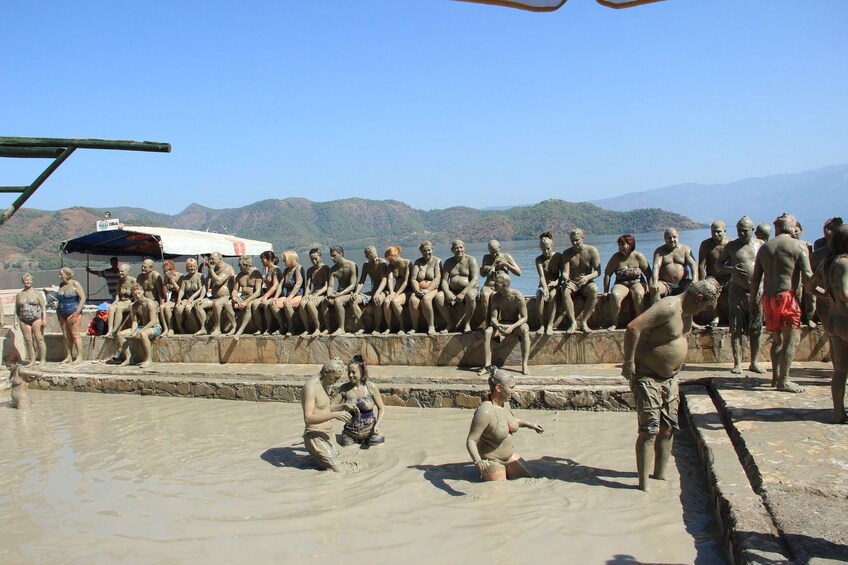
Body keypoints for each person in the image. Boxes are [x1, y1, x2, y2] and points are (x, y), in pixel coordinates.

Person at [622, 279, 720, 491]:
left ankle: (660, 475)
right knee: (649, 430)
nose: (703, 310)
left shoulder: (688, 312)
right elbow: (633, 327)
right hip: (648, 377)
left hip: (670, 379)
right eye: (704, 306)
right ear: (698, 298)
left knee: (668, 428)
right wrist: (628, 363)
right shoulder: (667, 307)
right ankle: (643, 484)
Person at [751, 213, 814, 393]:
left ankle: (775, 377)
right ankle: (784, 381)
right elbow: (808, 278)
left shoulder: (764, 248)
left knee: (777, 340)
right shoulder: (799, 246)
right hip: (787, 297)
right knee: (791, 341)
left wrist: (752, 302)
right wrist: (824, 293)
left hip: (768, 297)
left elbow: (756, 279)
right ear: (792, 227)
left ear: (777, 228)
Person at [466, 368, 544, 481]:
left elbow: (509, 422)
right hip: (491, 461)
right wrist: (478, 461)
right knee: (500, 490)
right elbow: (471, 440)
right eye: (511, 388)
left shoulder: (505, 404)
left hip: (509, 456)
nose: (514, 391)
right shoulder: (485, 412)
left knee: (534, 478)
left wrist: (529, 424)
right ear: (498, 388)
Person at [715, 216, 765, 374]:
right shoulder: (731, 246)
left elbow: (769, 264)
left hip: (757, 291)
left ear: (753, 230)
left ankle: (754, 362)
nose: (742, 233)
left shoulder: (761, 245)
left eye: (745, 230)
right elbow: (718, 265)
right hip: (737, 290)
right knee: (736, 328)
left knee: (756, 328)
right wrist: (732, 270)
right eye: (739, 231)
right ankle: (737, 363)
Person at [810, 224, 848, 423]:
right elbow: (844, 292)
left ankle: (839, 412)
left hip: (833, 320)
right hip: (846, 321)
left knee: (840, 370)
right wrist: (836, 297)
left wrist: (826, 297)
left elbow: (810, 286)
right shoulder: (844, 263)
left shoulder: (827, 262)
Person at [301, 358, 357, 472]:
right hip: (315, 436)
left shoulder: (323, 385)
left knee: (347, 458)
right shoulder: (311, 387)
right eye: (335, 378)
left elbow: (323, 409)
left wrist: (343, 406)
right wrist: (335, 415)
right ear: (326, 373)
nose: (336, 381)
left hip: (329, 436)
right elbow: (308, 418)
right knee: (339, 471)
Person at [479, 272, 530, 376]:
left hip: (516, 324)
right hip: (502, 324)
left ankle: (524, 364)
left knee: (525, 330)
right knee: (487, 332)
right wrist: (498, 326)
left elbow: (525, 317)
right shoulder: (496, 297)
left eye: (497, 283)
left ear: (504, 284)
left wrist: (512, 326)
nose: (494, 285)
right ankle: (487, 366)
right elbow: (493, 317)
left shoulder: (518, 296)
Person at [332, 355, 386, 446]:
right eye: (349, 372)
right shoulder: (343, 389)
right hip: (350, 434)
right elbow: (329, 408)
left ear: (362, 372)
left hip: (371, 432)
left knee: (378, 452)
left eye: (353, 372)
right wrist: (343, 406)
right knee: (349, 455)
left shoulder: (371, 387)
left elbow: (381, 408)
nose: (350, 375)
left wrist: (377, 425)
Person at [603, 234, 651, 330]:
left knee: (638, 293)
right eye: (619, 245)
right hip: (622, 283)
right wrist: (605, 291)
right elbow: (607, 274)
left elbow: (649, 274)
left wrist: (650, 288)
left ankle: (639, 322)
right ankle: (614, 323)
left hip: (638, 282)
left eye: (623, 245)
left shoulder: (639, 256)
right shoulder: (616, 258)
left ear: (630, 245)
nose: (621, 248)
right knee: (615, 295)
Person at [561, 228, 601, 333]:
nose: (574, 243)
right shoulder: (567, 253)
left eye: (577, 240)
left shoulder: (592, 251)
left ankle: (584, 322)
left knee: (594, 289)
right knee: (565, 291)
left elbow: (598, 271)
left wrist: (587, 277)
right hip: (573, 282)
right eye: (572, 241)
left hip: (586, 282)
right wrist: (566, 278)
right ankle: (573, 322)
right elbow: (565, 272)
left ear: (583, 238)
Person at [436, 240, 480, 333]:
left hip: (469, 289)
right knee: (438, 296)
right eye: (456, 248)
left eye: (461, 247)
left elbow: (475, 279)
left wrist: (463, 293)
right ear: (452, 250)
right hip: (453, 290)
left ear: (464, 248)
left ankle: (467, 324)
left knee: (471, 297)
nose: (459, 250)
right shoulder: (448, 262)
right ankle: (450, 324)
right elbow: (444, 281)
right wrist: (447, 292)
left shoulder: (471, 260)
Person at [114, 283, 161, 368]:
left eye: (139, 293)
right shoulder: (134, 306)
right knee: (120, 334)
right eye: (135, 294)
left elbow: (153, 321)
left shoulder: (149, 303)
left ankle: (149, 359)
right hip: (142, 327)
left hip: (155, 327)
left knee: (143, 334)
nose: (138, 296)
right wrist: (132, 332)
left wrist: (141, 331)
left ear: (142, 291)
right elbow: (135, 322)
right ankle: (129, 358)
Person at [649, 228, 698, 304]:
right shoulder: (659, 251)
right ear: (665, 238)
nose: (672, 240)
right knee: (654, 289)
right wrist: (655, 282)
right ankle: (659, 312)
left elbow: (693, 265)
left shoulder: (685, 249)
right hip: (665, 284)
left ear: (678, 236)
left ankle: (690, 314)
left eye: (674, 237)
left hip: (683, 282)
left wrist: (695, 279)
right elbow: (656, 267)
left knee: (694, 289)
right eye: (669, 238)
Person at [697, 220, 731, 326]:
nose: (715, 234)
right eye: (713, 232)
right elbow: (702, 266)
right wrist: (702, 283)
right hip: (713, 277)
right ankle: (715, 316)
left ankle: (735, 317)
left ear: (724, 231)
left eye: (718, 232)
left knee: (737, 289)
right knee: (709, 289)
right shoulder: (706, 245)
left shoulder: (731, 244)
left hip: (729, 277)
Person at [193, 252, 235, 336]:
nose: (210, 261)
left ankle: (218, 328)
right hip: (213, 297)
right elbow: (207, 284)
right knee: (198, 305)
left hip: (224, 297)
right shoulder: (213, 269)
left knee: (217, 304)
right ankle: (204, 327)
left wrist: (211, 270)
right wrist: (201, 297)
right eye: (210, 259)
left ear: (219, 260)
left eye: (213, 259)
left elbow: (219, 281)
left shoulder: (227, 268)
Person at [479, 239, 521, 322]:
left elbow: (518, 273)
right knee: (484, 294)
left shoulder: (506, 256)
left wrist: (506, 264)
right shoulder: (486, 257)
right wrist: (491, 266)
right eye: (491, 252)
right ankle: (488, 321)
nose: (494, 254)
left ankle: (496, 321)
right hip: (489, 285)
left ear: (500, 248)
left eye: (496, 251)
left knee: (495, 296)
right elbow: (482, 274)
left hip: (502, 287)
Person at [352, 245, 388, 335]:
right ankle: (362, 326)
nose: (375, 258)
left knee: (378, 300)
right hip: (372, 291)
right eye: (371, 256)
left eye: (375, 255)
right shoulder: (366, 265)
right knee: (353, 300)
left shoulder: (382, 263)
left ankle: (378, 327)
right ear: (367, 256)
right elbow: (361, 281)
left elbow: (384, 280)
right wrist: (356, 292)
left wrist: (377, 293)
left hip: (383, 291)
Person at [409, 240, 442, 335]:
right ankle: (415, 326)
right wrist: (416, 290)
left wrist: (428, 289)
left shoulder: (437, 261)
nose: (427, 253)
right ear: (421, 251)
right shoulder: (418, 262)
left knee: (426, 300)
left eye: (429, 250)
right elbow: (413, 279)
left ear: (432, 249)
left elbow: (437, 278)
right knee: (413, 300)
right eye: (424, 251)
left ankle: (431, 326)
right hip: (419, 289)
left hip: (433, 289)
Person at [324, 246, 359, 336]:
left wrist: (339, 294)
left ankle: (341, 328)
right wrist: (329, 294)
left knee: (337, 301)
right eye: (331, 256)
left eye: (334, 256)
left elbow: (352, 285)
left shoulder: (352, 265)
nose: (332, 258)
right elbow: (330, 286)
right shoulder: (333, 270)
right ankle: (327, 328)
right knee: (325, 301)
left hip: (349, 293)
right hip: (339, 293)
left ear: (341, 254)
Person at [535, 231, 564, 336]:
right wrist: (545, 289)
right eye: (543, 249)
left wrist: (557, 282)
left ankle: (550, 325)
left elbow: (564, 274)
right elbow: (542, 276)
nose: (546, 252)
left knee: (553, 296)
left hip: (555, 285)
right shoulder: (539, 260)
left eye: (548, 249)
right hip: (543, 285)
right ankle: (542, 324)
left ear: (552, 246)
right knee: (539, 295)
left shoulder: (558, 256)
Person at [271, 250, 305, 336]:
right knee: (272, 304)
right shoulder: (286, 270)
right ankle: (282, 326)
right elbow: (280, 285)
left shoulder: (298, 268)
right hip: (288, 294)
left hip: (298, 294)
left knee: (287, 303)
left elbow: (298, 284)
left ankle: (291, 327)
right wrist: (275, 297)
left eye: (284, 259)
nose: (283, 261)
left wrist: (290, 297)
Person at [15, 273, 47, 365]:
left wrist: (44, 318)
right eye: (26, 280)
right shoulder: (20, 294)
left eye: (29, 280)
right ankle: (32, 360)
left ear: (32, 281)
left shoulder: (37, 293)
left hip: (36, 318)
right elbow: (16, 309)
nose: (28, 282)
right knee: (28, 341)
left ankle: (42, 360)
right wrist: (16, 320)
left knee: (39, 339)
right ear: (23, 281)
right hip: (24, 320)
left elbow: (43, 307)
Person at [56, 267, 86, 364]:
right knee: (66, 336)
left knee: (75, 335)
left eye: (61, 274)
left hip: (73, 311)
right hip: (62, 312)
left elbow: (82, 298)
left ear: (67, 274)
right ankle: (68, 356)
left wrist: (77, 312)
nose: (59, 276)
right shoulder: (61, 285)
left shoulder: (75, 284)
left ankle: (79, 356)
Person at [300, 248, 330, 337]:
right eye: (311, 259)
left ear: (320, 257)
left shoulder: (325, 268)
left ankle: (318, 327)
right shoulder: (310, 270)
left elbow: (326, 286)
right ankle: (307, 329)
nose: (313, 261)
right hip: (313, 292)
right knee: (302, 304)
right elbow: (308, 286)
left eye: (315, 258)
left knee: (310, 304)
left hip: (322, 293)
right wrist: (306, 295)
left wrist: (316, 294)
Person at [231, 255, 262, 339]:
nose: (238, 267)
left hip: (253, 297)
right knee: (227, 304)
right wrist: (234, 297)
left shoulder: (256, 274)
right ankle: (233, 326)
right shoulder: (240, 275)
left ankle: (240, 330)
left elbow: (258, 292)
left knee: (248, 306)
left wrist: (246, 302)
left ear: (245, 264)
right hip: (242, 297)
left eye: (239, 265)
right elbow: (235, 290)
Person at [382, 246, 411, 334]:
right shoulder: (391, 266)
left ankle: (402, 327)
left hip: (407, 290)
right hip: (396, 290)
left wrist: (397, 294)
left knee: (395, 301)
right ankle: (389, 327)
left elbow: (406, 281)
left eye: (390, 260)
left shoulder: (407, 263)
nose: (389, 262)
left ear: (395, 256)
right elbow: (390, 279)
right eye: (388, 260)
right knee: (386, 302)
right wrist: (391, 292)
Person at [252, 250, 282, 334]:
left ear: (269, 259)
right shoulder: (269, 269)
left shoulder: (276, 270)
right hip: (268, 293)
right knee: (254, 304)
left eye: (263, 259)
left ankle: (269, 327)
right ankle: (260, 327)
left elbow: (275, 285)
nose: (262, 261)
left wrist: (265, 296)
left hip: (275, 295)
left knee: (265, 304)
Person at [174, 258, 203, 335]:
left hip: (196, 297)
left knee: (188, 308)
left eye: (193, 266)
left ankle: (196, 326)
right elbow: (182, 290)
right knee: (178, 309)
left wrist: (192, 297)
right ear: (186, 268)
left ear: (196, 266)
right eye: (190, 266)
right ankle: (180, 327)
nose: (192, 268)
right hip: (186, 298)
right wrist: (179, 299)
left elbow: (201, 289)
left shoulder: (199, 276)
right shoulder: (184, 278)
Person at [107, 263, 136, 337]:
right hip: (121, 301)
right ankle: (109, 330)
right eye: (119, 271)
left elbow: (136, 293)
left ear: (127, 272)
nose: (120, 273)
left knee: (119, 309)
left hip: (129, 301)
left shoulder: (133, 281)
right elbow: (117, 295)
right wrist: (114, 303)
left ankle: (115, 330)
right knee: (111, 308)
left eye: (122, 271)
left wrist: (134, 303)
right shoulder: (119, 281)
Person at [160, 259, 182, 336]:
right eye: (165, 271)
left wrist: (172, 280)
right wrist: (166, 280)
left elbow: (180, 291)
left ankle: (171, 328)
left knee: (166, 308)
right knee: (162, 307)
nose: (167, 273)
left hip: (180, 298)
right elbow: (165, 292)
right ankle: (166, 328)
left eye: (168, 271)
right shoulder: (167, 278)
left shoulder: (179, 276)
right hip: (172, 298)